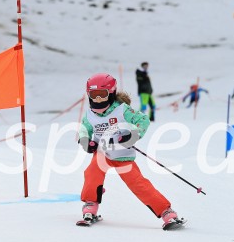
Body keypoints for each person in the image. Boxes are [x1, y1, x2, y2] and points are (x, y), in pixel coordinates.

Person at [77, 73, 181, 229]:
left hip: (122, 156)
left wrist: (132, 136)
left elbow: (143, 120)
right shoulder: (90, 115)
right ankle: (90, 204)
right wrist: (86, 142)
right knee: (92, 174)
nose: (98, 100)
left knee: (138, 184)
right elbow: (84, 129)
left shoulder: (121, 110)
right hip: (102, 153)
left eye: (102, 95)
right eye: (94, 95)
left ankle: (166, 212)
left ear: (111, 93)